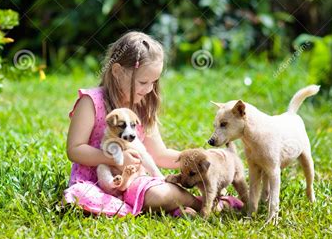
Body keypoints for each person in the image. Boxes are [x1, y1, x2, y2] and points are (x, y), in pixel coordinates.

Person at [64, 31, 243, 216]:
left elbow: (160, 154)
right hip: (94, 181)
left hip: (133, 181)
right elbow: (75, 149)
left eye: (154, 82)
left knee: (158, 194)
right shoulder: (91, 101)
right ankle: (200, 206)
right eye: (143, 81)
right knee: (81, 197)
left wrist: (199, 158)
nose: (149, 89)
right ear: (117, 71)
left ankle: (199, 204)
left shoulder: (141, 108)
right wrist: (113, 158)